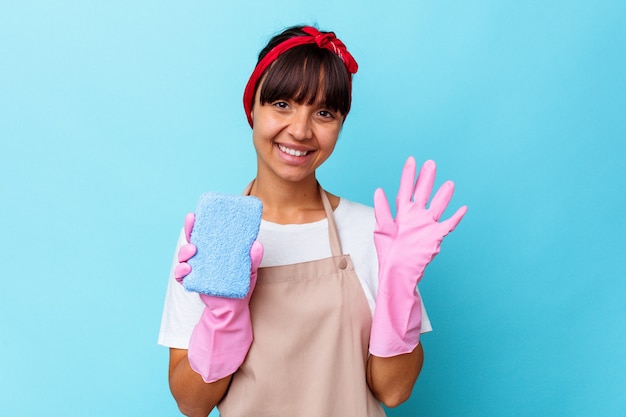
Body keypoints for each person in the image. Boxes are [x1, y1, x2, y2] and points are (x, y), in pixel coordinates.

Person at [158, 25, 467, 417]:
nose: (301, 130)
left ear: (340, 125)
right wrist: (223, 322)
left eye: (324, 113)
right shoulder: (213, 236)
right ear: (252, 107)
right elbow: (191, 403)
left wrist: (399, 292)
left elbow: (394, 391)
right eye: (282, 104)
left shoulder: (377, 233)